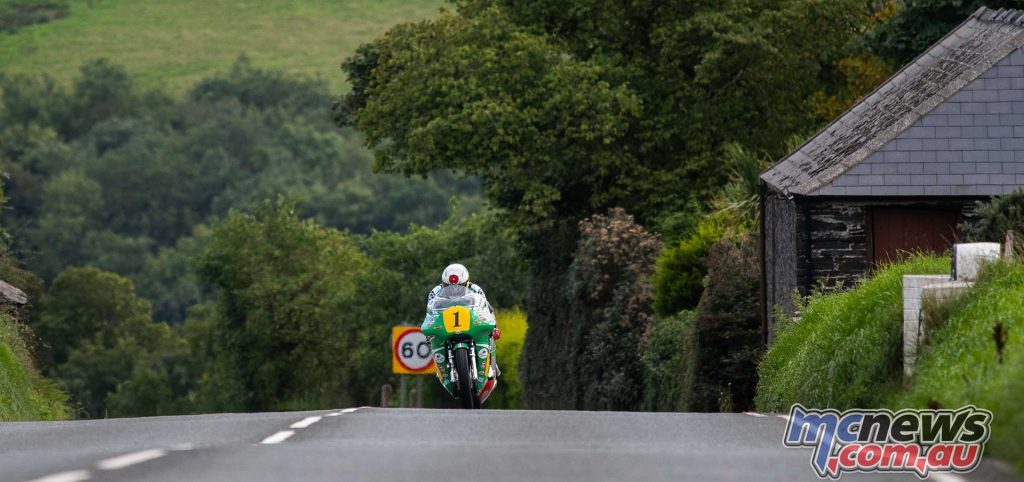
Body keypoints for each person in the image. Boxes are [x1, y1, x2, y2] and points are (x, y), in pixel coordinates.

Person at [425, 263, 500, 377]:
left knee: (489, 333)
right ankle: (442, 368)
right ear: (444, 283)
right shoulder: (435, 292)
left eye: (459, 286)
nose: (455, 290)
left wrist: (494, 326)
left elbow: (485, 307)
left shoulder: (475, 289)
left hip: (469, 319)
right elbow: (430, 310)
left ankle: (492, 363)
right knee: (433, 338)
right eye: (449, 286)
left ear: (466, 282)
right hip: (447, 322)